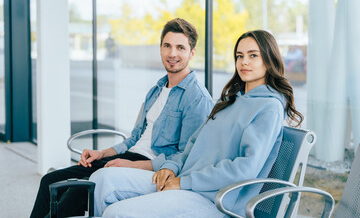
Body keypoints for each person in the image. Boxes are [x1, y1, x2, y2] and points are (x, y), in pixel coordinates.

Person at [89, 30, 304, 218]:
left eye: (253, 55)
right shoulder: (229, 101)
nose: (244, 62)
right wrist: (171, 167)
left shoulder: (269, 108)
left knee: (116, 213)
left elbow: (244, 168)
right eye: (239, 56)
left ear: (269, 60)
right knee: (102, 180)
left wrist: (185, 183)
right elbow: (193, 143)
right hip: (185, 182)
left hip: (216, 201)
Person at [30, 18, 214, 218]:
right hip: (128, 157)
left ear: (192, 52)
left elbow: (185, 157)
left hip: (148, 167)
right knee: (49, 181)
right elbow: (135, 138)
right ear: (160, 48)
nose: (172, 53)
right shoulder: (157, 89)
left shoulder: (197, 98)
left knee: (76, 192)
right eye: (167, 46)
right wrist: (102, 153)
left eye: (180, 47)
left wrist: (132, 165)